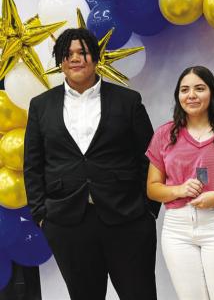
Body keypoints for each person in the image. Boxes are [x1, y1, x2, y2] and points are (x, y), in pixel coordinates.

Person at [24, 28, 160, 300]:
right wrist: (42, 214)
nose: (76, 58)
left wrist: (149, 211)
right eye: (68, 53)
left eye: (82, 52)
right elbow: (33, 164)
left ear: (95, 58)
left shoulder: (127, 101)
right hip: (67, 223)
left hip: (127, 219)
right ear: (60, 61)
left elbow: (150, 156)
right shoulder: (41, 106)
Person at [146, 66, 214, 300]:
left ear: (212, 93)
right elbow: (152, 188)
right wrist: (179, 189)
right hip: (177, 230)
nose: (191, 95)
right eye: (184, 90)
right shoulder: (165, 134)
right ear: (178, 96)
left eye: (199, 88)